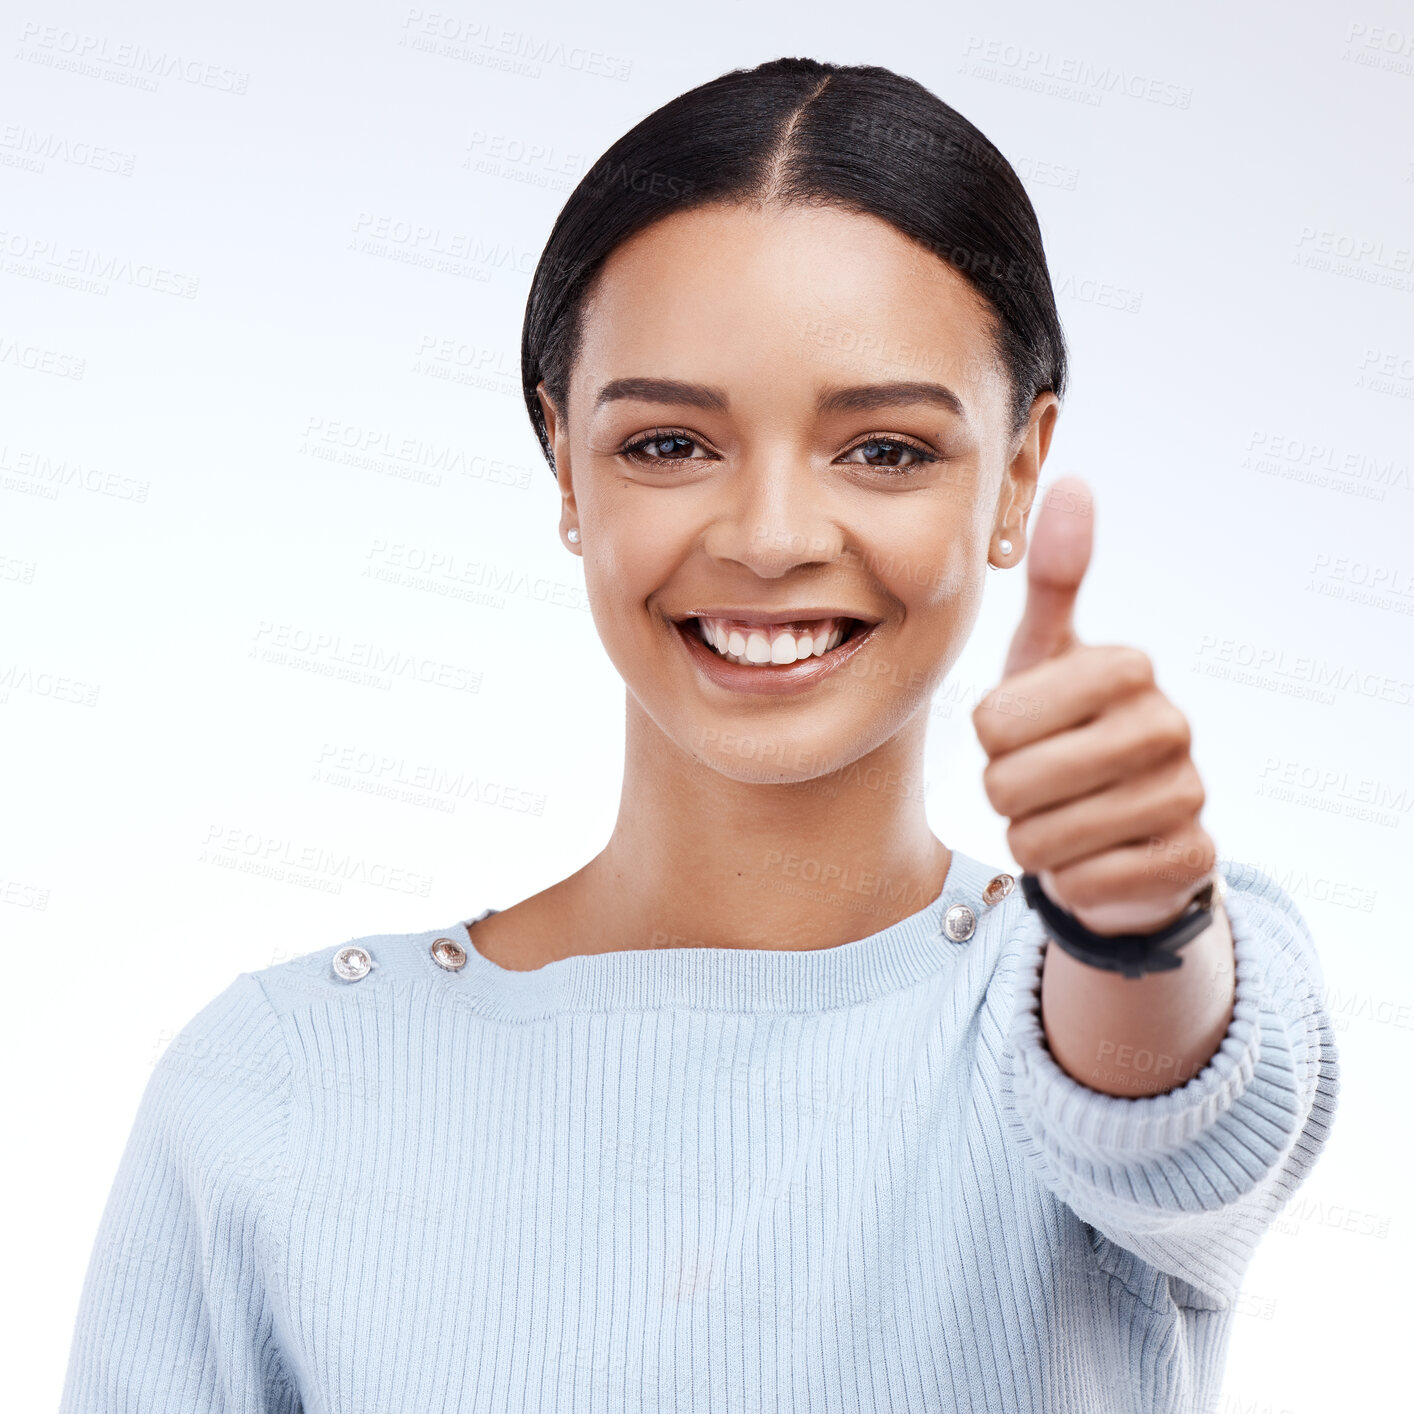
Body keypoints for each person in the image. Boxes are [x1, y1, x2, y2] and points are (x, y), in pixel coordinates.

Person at [59, 55, 1338, 1414]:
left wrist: (1130, 924)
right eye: (668, 444)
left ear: (1017, 470)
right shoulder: (278, 1078)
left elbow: (1172, 1098)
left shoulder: (1067, 1010)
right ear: (562, 458)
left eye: (885, 449)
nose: (772, 537)